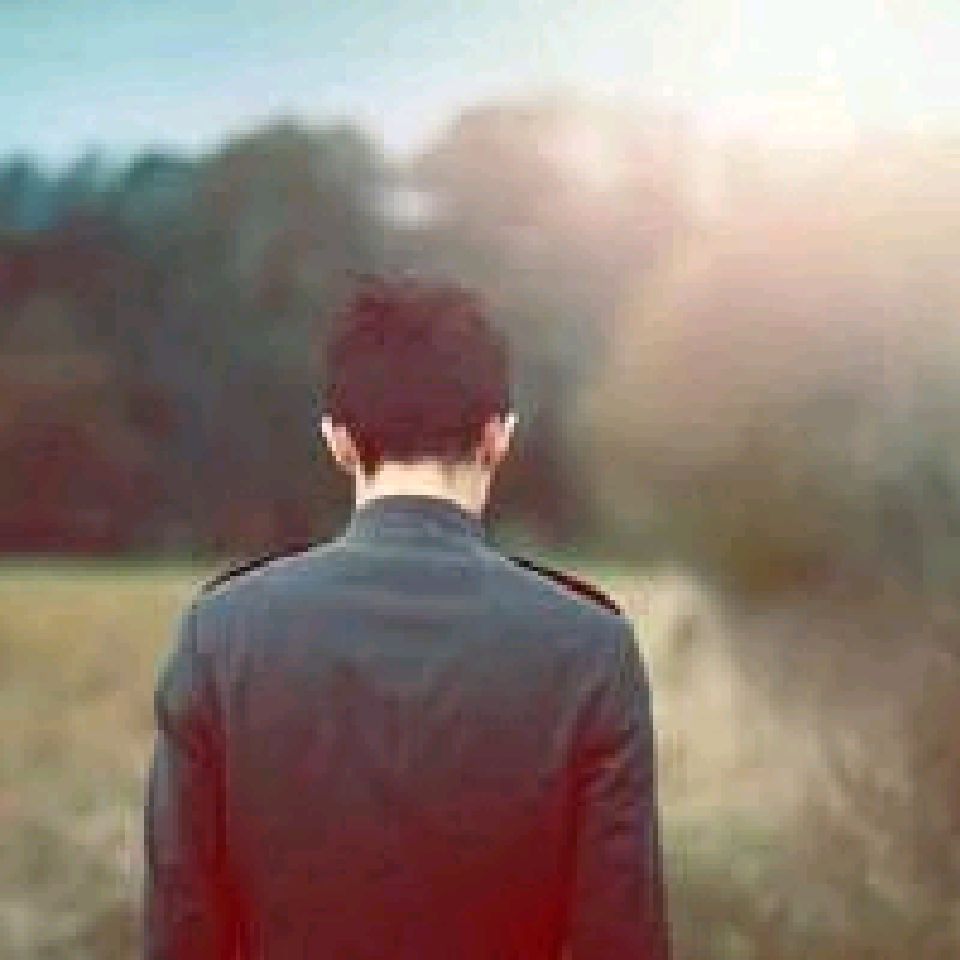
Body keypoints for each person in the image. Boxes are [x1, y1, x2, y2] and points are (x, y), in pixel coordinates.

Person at [143, 273, 671, 959]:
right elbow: (622, 941)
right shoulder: (591, 647)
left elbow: (180, 933)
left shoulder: (220, 636)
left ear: (337, 441)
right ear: (498, 437)